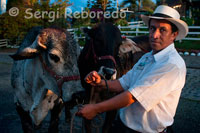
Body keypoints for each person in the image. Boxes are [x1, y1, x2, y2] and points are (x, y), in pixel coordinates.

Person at [76, 5, 188, 133]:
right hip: (122, 125)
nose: (154, 35)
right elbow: (123, 83)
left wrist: (96, 109)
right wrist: (101, 83)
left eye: (162, 30)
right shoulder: (147, 57)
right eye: (152, 28)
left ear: (174, 35)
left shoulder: (172, 65)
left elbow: (132, 97)